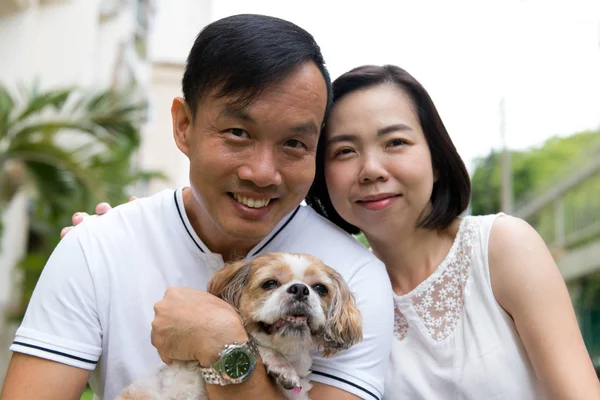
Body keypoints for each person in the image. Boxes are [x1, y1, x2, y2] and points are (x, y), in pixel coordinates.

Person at [0, 15, 394, 400]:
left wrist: (220, 340)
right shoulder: (96, 247)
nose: (262, 173)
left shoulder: (354, 277)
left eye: (293, 143)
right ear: (184, 125)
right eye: (238, 133)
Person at [305, 65, 600, 399]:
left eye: (395, 142)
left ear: (437, 161)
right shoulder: (334, 294)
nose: (371, 169)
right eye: (344, 151)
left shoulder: (503, 246)